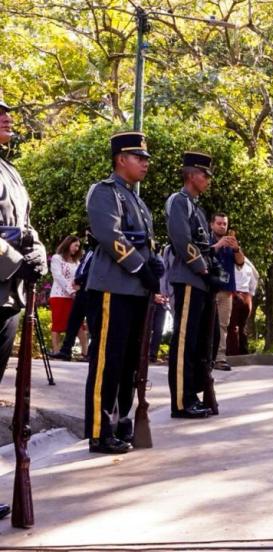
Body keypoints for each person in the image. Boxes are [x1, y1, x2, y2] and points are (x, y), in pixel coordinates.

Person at [84, 131, 163, 454]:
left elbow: (146, 242)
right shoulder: (105, 192)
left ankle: (121, 422)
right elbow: (110, 235)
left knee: (131, 362)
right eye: (139, 157)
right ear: (121, 159)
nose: (145, 163)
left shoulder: (137, 200)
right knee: (108, 361)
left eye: (145, 158)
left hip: (135, 291)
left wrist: (154, 264)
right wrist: (140, 268)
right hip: (112, 288)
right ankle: (100, 431)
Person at [0, 98, 49, 518]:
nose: (7, 118)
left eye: (7, 112)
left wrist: (39, 254)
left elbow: (26, 228)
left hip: (7, 295)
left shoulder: (10, 172)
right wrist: (17, 257)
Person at [165, 152, 216, 419]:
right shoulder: (179, 202)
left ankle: (192, 394)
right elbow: (181, 239)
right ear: (191, 175)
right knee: (184, 342)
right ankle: (181, 401)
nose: (207, 179)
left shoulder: (196, 208)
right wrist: (202, 267)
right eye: (204, 175)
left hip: (200, 282)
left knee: (197, 342)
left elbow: (203, 244)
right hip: (187, 278)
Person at [51, 230, 95, 361]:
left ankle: (85, 352)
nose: (77, 248)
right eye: (75, 245)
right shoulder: (57, 258)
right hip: (60, 295)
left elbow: (79, 276)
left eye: (78, 246)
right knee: (58, 325)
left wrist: (77, 289)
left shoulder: (77, 261)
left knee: (78, 325)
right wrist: (71, 290)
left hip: (75, 296)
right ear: (68, 244)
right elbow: (58, 276)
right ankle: (57, 351)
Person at [209, 213, 244, 370]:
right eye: (219, 223)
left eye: (225, 223)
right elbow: (204, 255)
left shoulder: (232, 243)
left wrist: (236, 248)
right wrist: (218, 245)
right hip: (209, 289)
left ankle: (220, 358)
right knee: (206, 324)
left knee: (223, 325)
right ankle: (205, 358)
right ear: (212, 225)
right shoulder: (206, 240)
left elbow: (241, 262)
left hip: (226, 290)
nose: (222, 226)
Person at [227, 257, 259, 356]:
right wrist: (250, 295)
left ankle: (233, 354)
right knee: (242, 327)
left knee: (232, 326)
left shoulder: (229, 260)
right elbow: (255, 277)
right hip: (246, 296)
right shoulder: (248, 264)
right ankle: (243, 352)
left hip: (234, 294)